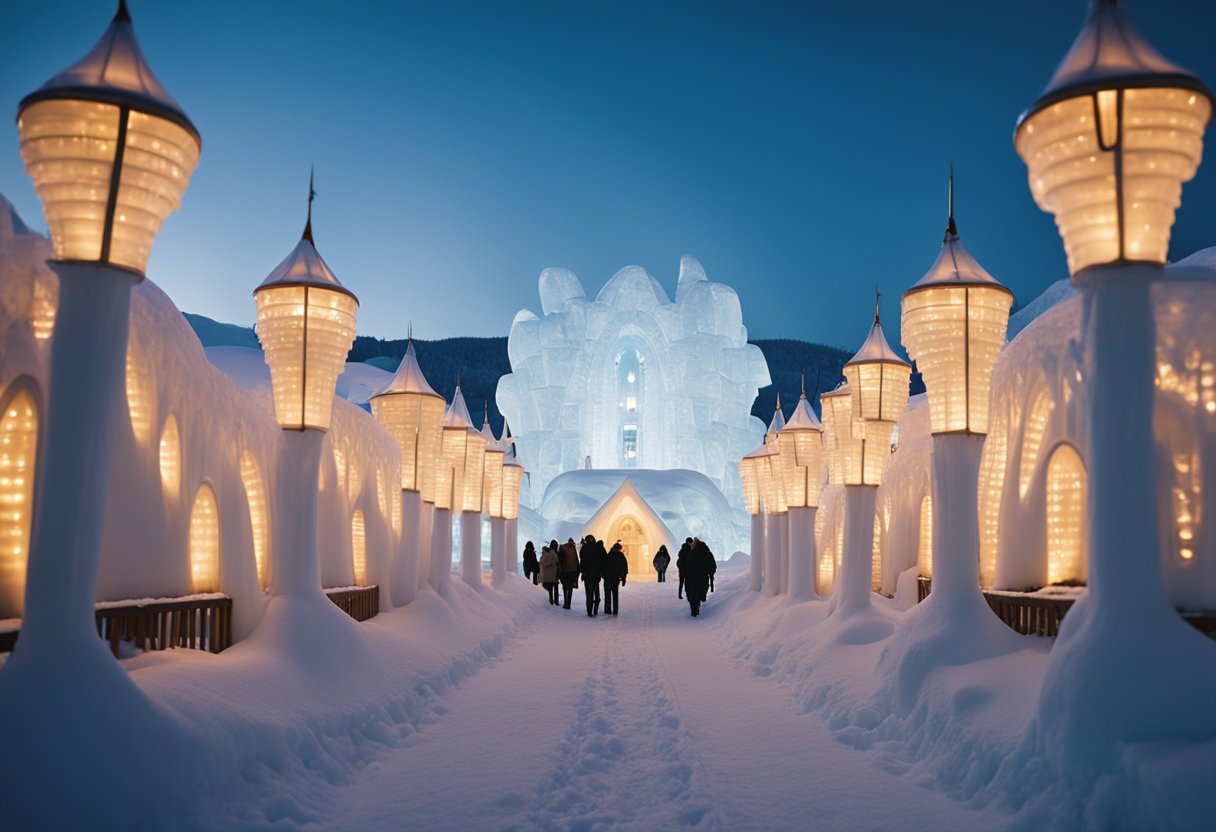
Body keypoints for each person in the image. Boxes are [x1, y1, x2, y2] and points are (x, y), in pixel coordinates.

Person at [684, 537, 716, 617]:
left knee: (692, 593)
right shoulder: (707, 553)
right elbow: (712, 566)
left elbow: (688, 567)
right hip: (703, 578)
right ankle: (697, 607)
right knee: (699, 592)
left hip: (691, 578)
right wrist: (710, 573)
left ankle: (694, 609)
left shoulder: (691, 553)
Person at [579, 535, 605, 617]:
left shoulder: (584, 548)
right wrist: (601, 572)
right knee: (596, 593)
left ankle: (589, 611)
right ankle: (595, 609)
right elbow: (601, 561)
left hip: (587, 575)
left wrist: (582, 572)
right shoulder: (597, 547)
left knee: (589, 594)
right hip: (596, 575)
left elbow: (582, 561)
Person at [602, 540, 629, 616]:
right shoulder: (621, 556)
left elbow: (603, 567)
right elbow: (624, 568)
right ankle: (615, 610)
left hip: (607, 578)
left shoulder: (609, 555)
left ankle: (607, 610)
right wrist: (623, 579)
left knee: (607, 595)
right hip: (616, 578)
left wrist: (603, 576)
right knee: (615, 594)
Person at [558, 537, 580, 610]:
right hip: (572, 572)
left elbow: (560, 560)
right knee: (570, 588)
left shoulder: (563, 547)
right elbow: (577, 560)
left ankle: (565, 602)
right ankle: (568, 604)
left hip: (565, 571)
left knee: (565, 587)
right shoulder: (573, 548)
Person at [538, 541, 560, 605]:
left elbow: (541, 562)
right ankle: (556, 601)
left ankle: (551, 600)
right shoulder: (555, 554)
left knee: (550, 589)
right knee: (556, 587)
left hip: (547, 575)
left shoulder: (545, 554)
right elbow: (557, 561)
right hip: (554, 573)